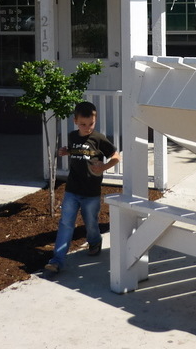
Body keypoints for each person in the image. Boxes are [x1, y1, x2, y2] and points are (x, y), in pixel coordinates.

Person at [44, 101, 120, 275]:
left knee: (91, 223)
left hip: (91, 192)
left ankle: (94, 241)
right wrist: (66, 151)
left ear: (95, 120)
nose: (87, 128)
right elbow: (77, 150)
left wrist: (104, 167)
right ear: (75, 121)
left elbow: (116, 156)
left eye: (91, 124)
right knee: (65, 223)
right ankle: (57, 260)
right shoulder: (72, 136)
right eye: (83, 124)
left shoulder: (99, 139)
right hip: (72, 189)